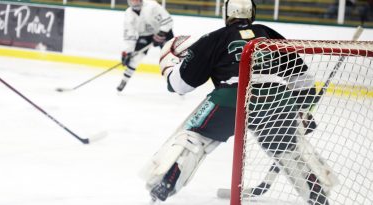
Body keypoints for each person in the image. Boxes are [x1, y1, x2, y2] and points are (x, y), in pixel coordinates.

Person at [140, 0, 338, 204]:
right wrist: (303, 109)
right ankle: (317, 196)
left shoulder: (214, 38)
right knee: (287, 148)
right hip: (279, 98)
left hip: (232, 97)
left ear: (226, 12)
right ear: (252, 12)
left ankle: (166, 184)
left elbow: (180, 86)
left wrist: (169, 66)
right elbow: (302, 78)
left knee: (195, 138)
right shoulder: (267, 32)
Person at [117, 0, 174, 92]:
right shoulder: (128, 13)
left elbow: (167, 20)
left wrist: (161, 33)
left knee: (170, 58)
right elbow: (129, 33)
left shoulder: (152, 6)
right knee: (134, 58)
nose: (134, 1)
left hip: (163, 32)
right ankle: (124, 80)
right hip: (145, 34)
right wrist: (128, 51)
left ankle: (176, 83)